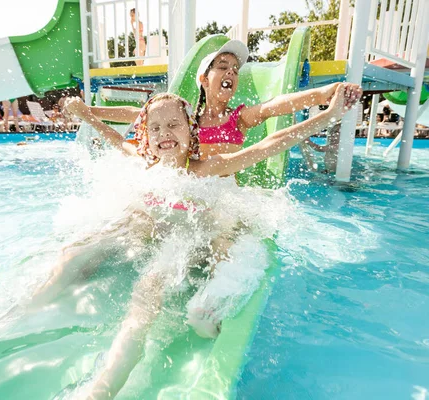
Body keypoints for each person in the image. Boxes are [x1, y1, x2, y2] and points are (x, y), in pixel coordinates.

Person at [42, 83, 359, 399]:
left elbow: (269, 144)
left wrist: (329, 115)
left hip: (191, 238)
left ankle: (103, 388)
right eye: (156, 128)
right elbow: (112, 137)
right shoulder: (143, 164)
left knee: (150, 286)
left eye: (173, 125)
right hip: (157, 231)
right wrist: (86, 115)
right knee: (76, 250)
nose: (165, 133)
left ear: (191, 132)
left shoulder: (208, 169)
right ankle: (34, 306)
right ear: (146, 138)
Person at [82, 40, 353, 160]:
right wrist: (88, 109)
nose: (231, 72)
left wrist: (325, 93)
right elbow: (138, 113)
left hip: (222, 202)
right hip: (188, 193)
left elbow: (275, 106)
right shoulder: (185, 119)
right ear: (204, 78)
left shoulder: (239, 118)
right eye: (222, 66)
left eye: (235, 69)